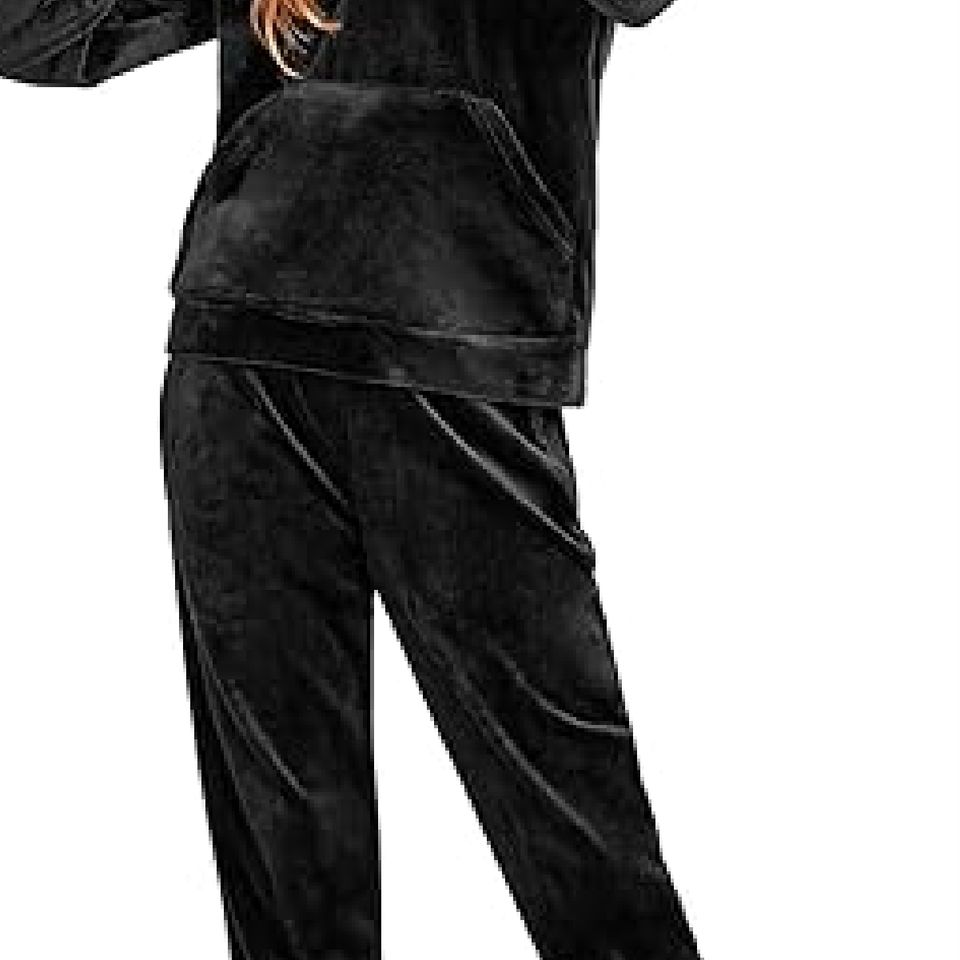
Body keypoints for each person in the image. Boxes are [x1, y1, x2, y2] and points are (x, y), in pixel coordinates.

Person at [1, 0, 703, 957]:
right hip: (240, 344)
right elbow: (41, 35)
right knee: (289, 897)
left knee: (587, 856)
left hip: (459, 345)